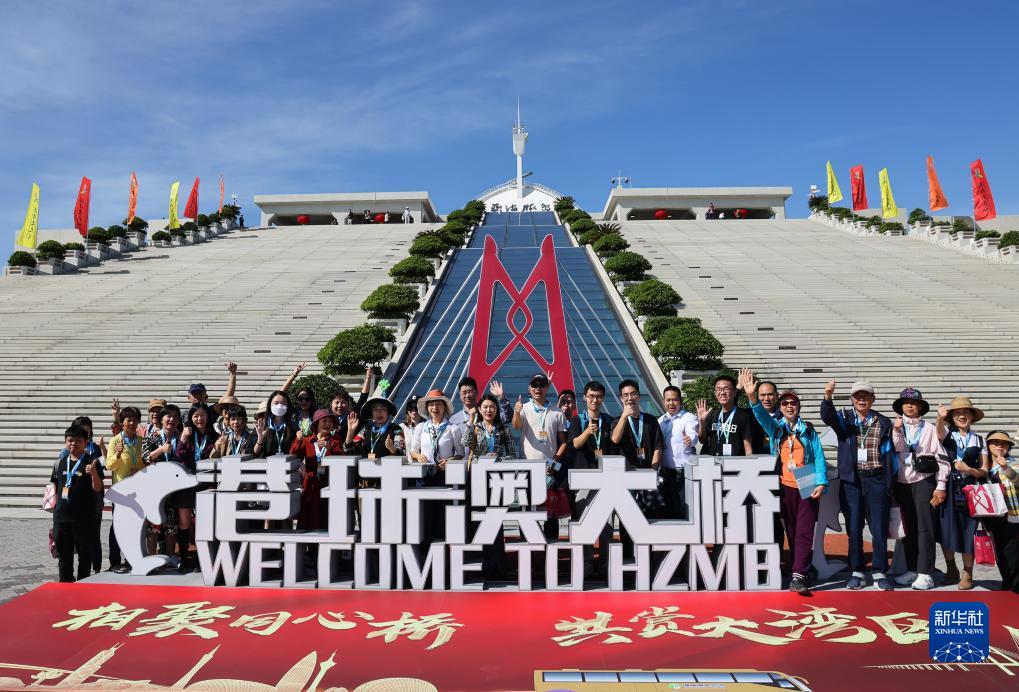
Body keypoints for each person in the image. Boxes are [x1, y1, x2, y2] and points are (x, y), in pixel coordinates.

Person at [740, 369, 826, 594]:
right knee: (791, 528)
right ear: (780, 407)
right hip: (784, 481)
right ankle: (800, 567)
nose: (789, 406)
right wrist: (751, 396)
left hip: (806, 477)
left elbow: (818, 456)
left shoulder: (808, 429)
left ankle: (799, 575)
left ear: (798, 407)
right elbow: (760, 415)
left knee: (805, 529)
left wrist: (821, 482)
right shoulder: (776, 428)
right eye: (785, 403)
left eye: (793, 403)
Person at [820, 380, 896, 590]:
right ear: (852, 399)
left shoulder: (884, 422)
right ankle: (857, 571)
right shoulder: (844, 418)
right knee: (853, 528)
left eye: (866, 396)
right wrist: (828, 396)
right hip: (851, 482)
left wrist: (888, 482)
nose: (861, 399)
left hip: (876, 480)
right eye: (857, 396)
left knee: (879, 529)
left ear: (873, 399)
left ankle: (879, 571)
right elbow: (827, 417)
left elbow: (890, 453)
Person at [889, 388, 949, 591]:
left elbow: (941, 455)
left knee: (925, 528)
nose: (909, 405)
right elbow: (897, 448)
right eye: (905, 402)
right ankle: (912, 569)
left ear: (920, 407)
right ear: (901, 406)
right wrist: (896, 431)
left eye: (914, 402)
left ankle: (926, 573)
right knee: (908, 529)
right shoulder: (896, 426)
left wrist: (941, 485)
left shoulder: (930, 428)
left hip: (924, 481)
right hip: (902, 483)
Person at [935, 397, 990, 590]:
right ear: (952, 417)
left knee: (969, 531)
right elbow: (938, 432)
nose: (961, 416)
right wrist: (939, 418)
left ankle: (968, 573)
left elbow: (984, 469)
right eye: (957, 413)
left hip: (970, 489)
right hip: (947, 486)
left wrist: (969, 470)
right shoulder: (946, 434)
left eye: (966, 413)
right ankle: (951, 569)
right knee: (946, 529)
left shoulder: (979, 440)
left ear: (972, 417)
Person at [566, 380, 616, 576]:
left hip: (606, 480)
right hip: (583, 480)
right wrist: (587, 431)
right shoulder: (577, 421)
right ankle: (586, 565)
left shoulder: (609, 420)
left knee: (607, 525)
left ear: (603, 398)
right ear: (585, 398)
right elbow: (575, 444)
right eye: (591, 396)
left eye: (598, 397)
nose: (595, 400)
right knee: (583, 524)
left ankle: (606, 566)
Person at [611, 379, 665, 553]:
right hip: (626, 477)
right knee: (626, 515)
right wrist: (624, 416)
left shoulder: (650, 420)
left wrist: (653, 471)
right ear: (621, 398)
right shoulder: (617, 421)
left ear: (639, 396)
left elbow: (658, 447)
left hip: (647, 475)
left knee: (648, 515)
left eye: (633, 394)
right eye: (625, 395)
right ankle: (628, 552)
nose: (630, 398)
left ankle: (646, 552)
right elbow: (615, 439)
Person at [513, 373, 568, 541]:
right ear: (529, 388)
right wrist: (516, 411)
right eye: (535, 385)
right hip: (527, 468)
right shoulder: (524, 408)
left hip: (550, 470)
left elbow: (563, 442)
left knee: (550, 514)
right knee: (527, 511)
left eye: (542, 385)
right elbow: (516, 426)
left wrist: (554, 462)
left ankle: (551, 551)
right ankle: (526, 550)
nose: (538, 388)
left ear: (547, 387)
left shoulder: (557, 412)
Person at [50, 424, 104, 582]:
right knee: (64, 557)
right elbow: (54, 485)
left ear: (86, 442)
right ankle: (65, 586)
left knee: (85, 557)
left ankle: (82, 587)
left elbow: (98, 488)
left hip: (83, 519)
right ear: (65, 442)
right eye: (70, 440)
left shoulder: (92, 462)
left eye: (78, 441)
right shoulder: (60, 462)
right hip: (61, 518)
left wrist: (93, 473)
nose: (73, 444)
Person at [411, 389, 463, 545]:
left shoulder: (452, 428)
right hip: (424, 476)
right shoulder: (421, 427)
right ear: (427, 408)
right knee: (424, 512)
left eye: (438, 404)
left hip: (444, 475)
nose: (435, 408)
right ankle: (425, 547)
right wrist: (418, 456)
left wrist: (450, 461)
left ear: (444, 407)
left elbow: (460, 453)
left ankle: (443, 546)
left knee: (443, 511)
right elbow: (413, 450)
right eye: (432, 405)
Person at [175, 403, 217, 572]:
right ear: (190, 418)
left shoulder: (214, 436)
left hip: (206, 483)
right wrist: (184, 438)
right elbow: (179, 456)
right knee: (184, 522)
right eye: (196, 416)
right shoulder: (186, 434)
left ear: (208, 417)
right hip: (186, 483)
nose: (200, 419)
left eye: (203, 415)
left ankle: (201, 560)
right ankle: (184, 558)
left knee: (203, 523)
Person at [104, 406, 146, 573]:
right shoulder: (115, 441)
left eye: (135, 420)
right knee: (118, 526)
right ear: (122, 422)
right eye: (128, 420)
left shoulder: (141, 441)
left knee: (134, 527)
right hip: (121, 492)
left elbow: (145, 463)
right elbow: (109, 466)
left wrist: (139, 470)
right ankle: (114, 561)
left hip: (137, 492)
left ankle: (130, 559)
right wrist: (117, 454)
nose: (132, 423)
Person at [291, 409, 345, 536]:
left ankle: (326, 542)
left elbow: (342, 458)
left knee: (326, 512)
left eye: (330, 421)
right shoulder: (307, 440)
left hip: (328, 481)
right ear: (316, 424)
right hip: (310, 481)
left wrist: (330, 448)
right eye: (324, 421)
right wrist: (298, 440)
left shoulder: (335, 440)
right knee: (308, 513)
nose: (328, 424)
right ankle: (307, 543)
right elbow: (294, 455)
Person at [143, 404, 186, 562]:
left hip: (174, 488)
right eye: (168, 416)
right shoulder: (152, 436)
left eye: (175, 416)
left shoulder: (181, 437)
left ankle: (170, 557)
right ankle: (151, 558)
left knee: (171, 525)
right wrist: (161, 449)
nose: (171, 419)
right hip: (155, 488)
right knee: (153, 525)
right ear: (161, 419)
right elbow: (145, 457)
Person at [658, 385, 699, 520]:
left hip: (683, 471)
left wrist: (690, 439)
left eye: (674, 400)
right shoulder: (660, 421)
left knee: (682, 508)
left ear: (680, 401)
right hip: (665, 471)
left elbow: (693, 434)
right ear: (664, 401)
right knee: (667, 508)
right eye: (668, 400)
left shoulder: (689, 417)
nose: (671, 403)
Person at [986, 431, 1019, 593]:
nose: (1000, 446)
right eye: (995, 442)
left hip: (1011, 514)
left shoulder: (1013, 463)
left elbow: (1017, 480)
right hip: (990, 515)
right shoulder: (984, 465)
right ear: (988, 445)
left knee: (1012, 551)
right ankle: (1007, 582)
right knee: (999, 552)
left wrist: (1005, 466)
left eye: (1004, 443)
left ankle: (1015, 585)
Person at [696, 374, 754, 457]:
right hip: (713, 462)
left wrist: (750, 463)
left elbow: (748, 447)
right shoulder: (712, 415)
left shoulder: (744, 416)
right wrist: (702, 422)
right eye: (718, 389)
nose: (722, 392)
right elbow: (702, 440)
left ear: (735, 392)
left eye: (726, 389)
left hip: (735, 462)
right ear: (715, 393)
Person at [255, 390, 296, 458]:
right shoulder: (262, 426)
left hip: (287, 463)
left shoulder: (293, 426)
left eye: (283, 403)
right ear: (270, 405)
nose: (279, 406)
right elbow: (255, 453)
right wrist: (260, 438)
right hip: (267, 463)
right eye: (276, 403)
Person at [749, 380, 780, 454]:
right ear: (757, 396)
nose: (766, 398)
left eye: (770, 394)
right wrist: (738, 388)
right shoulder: (749, 415)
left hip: (777, 457)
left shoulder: (785, 417)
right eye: (762, 395)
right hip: (756, 457)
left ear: (777, 395)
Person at [400, 396, 422, 462]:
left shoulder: (428, 427)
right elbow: (399, 449)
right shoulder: (402, 427)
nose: (413, 410)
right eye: (410, 408)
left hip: (424, 465)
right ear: (407, 410)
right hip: (407, 465)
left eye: (416, 408)